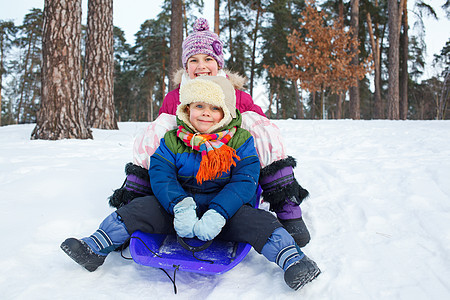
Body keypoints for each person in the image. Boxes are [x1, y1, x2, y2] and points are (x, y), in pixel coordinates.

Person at [61, 76, 320, 290]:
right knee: (138, 210)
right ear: (186, 110)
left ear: (225, 112)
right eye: (199, 106)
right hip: (178, 210)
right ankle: (95, 247)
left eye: (214, 108)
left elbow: (245, 180)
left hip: (226, 211)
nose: (206, 113)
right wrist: (179, 206)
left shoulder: (240, 140)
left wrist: (219, 211)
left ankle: (293, 260)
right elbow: (161, 174)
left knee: (260, 222)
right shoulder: (173, 139)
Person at [110, 18, 311, 247]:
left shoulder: (237, 95)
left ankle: (287, 207)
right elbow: (164, 140)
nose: (201, 66)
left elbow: (259, 128)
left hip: (228, 161)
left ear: (218, 64)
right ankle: (133, 206)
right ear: (186, 66)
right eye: (193, 60)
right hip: (186, 163)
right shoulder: (174, 98)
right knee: (158, 125)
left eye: (208, 59)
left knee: (257, 124)